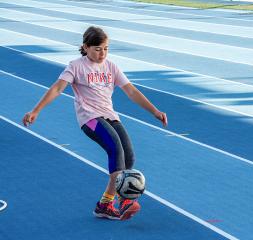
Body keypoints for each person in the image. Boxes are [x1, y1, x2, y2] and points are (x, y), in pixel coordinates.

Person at [22, 26, 168, 221]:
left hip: (110, 115)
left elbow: (131, 91)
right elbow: (57, 88)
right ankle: (124, 199)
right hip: (89, 119)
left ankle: (105, 205)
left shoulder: (111, 66)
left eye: (106, 48)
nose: (103, 53)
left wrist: (155, 111)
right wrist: (36, 110)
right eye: (98, 49)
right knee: (115, 149)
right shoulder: (76, 66)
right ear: (86, 47)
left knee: (128, 158)